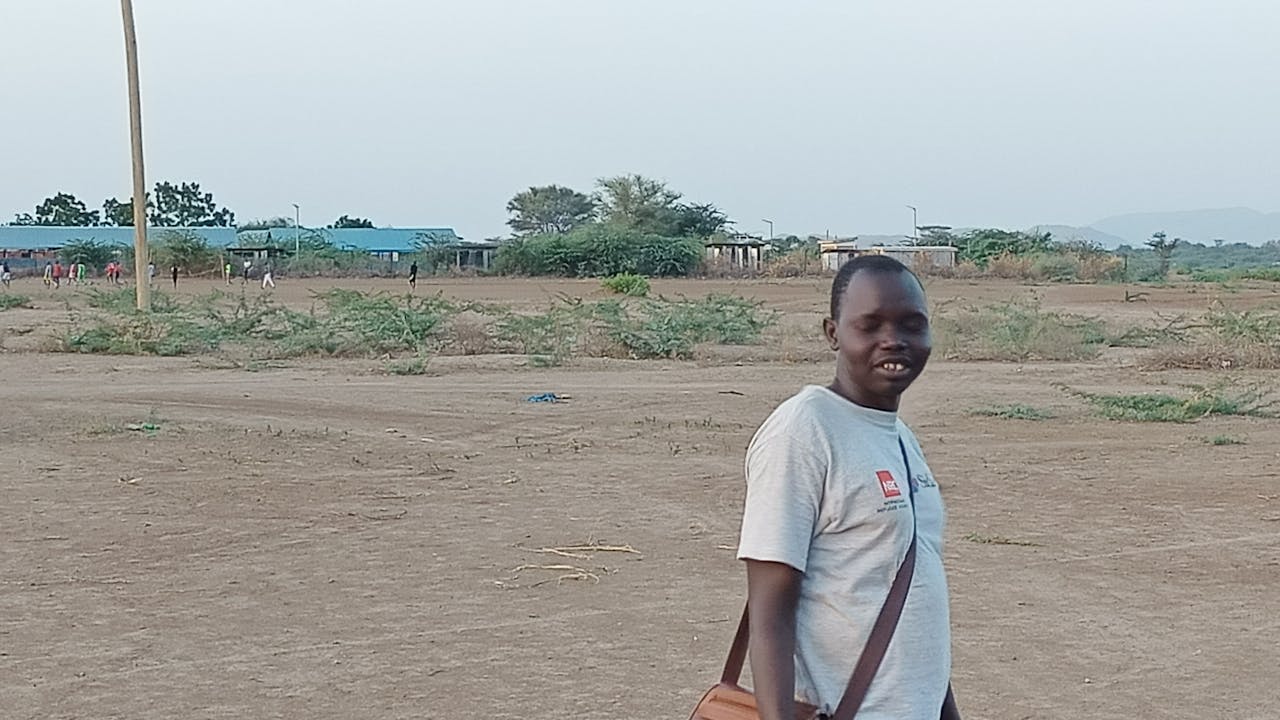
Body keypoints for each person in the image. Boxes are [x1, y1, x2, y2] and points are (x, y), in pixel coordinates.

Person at [737, 255, 958, 720]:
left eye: (912, 325)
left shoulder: (898, 437)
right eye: (870, 324)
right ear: (833, 333)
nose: (894, 340)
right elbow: (769, 615)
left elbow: (909, 603)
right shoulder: (803, 431)